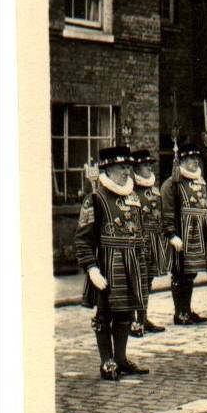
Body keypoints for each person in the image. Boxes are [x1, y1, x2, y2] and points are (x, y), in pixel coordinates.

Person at [74, 145, 149, 380]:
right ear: (108, 168)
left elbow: (140, 228)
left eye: (128, 166)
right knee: (105, 313)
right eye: (121, 167)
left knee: (126, 313)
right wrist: (91, 268)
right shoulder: (95, 198)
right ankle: (107, 360)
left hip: (132, 262)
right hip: (108, 264)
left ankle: (121, 358)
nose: (126, 172)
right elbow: (83, 238)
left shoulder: (133, 195)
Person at [161, 141, 207, 325]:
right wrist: (171, 234)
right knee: (180, 273)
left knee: (191, 273)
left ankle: (187, 309)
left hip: (199, 234)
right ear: (181, 161)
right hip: (182, 235)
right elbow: (167, 211)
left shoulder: (200, 182)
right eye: (190, 159)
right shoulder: (172, 184)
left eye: (196, 158)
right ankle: (180, 312)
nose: (195, 162)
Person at [130, 149, 168, 334]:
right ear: (136, 168)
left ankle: (143, 318)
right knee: (137, 280)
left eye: (149, 165)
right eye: (145, 165)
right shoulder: (130, 191)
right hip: (139, 241)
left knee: (148, 280)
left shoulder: (154, 190)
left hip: (154, 239)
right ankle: (133, 320)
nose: (149, 168)